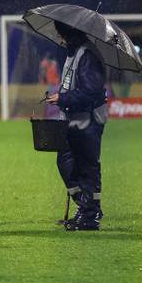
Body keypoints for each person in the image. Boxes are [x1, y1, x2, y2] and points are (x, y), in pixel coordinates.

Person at [46, 20, 108, 231]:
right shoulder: (74, 52)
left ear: (68, 32)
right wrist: (60, 97)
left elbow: (92, 92)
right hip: (72, 121)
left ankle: (89, 215)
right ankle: (86, 207)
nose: (58, 36)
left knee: (86, 168)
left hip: (88, 121)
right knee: (66, 163)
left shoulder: (87, 55)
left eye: (59, 31)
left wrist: (63, 99)